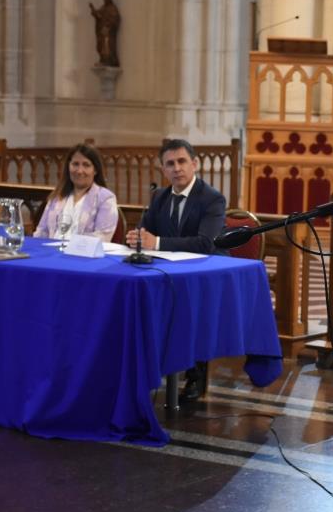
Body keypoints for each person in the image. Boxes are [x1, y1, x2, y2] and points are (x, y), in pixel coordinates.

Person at [126, 138, 227, 400]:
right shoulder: (159, 196)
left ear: (194, 164)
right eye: (170, 164)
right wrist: (137, 237)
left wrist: (155, 242)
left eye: (182, 161)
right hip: (168, 270)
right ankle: (147, 365)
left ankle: (195, 373)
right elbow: (146, 230)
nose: (177, 168)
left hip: (202, 273)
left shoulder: (212, 198)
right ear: (163, 169)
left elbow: (206, 243)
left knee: (188, 303)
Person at [34, 143, 119, 243]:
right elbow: (41, 232)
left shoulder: (105, 198)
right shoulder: (57, 196)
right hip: (51, 254)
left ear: (95, 170)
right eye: (75, 164)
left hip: (83, 256)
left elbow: (102, 238)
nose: (79, 171)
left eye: (86, 165)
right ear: (68, 166)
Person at [89, 0, 121, 67]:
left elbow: (115, 19)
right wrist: (94, 12)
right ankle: (103, 60)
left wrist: (108, 26)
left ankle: (110, 61)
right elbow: (99, 16)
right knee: (101, 45)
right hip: (102, 34)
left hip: (108, 34)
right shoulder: (103, 7)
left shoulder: (112, 8)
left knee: (108, 46)